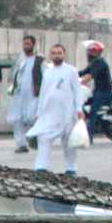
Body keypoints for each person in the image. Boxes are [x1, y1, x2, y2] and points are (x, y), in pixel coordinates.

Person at [28, 43, 85, 174]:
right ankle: (41, 168)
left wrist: (79, 109)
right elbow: (43, 94)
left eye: (59, 53)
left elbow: (77, 91)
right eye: (53, 53)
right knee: (44, 138)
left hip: (67, 113)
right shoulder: (48, 72)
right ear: (50, 55)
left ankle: (71, 168)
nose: (56, 55)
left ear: (64, 54)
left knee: (69, 142)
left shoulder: (71, 71)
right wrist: (39, 112)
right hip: (49, 113)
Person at [7, 35, 43, 154]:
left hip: (33, 95)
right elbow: (14, 75)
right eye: (24, 44)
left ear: (33, 45)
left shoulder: (40, 61)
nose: (25, 46)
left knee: (31, 118)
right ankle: (21, 144)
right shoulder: (20, 60)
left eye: (28, 44)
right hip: (18, 95)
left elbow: (46, 77)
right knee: (17, 119)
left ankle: (35, 138)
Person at [79, 40, 112, 143]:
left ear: (98, 53)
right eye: (89, 51)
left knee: (93, 113)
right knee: (84, 106)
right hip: (97, 91)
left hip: (104, 93)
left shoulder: (100, 63)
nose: (90, 53)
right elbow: (82, 72)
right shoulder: (93, 63)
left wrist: (81, 81)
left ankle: (89, 138)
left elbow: (89, 76)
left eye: (93, 51)